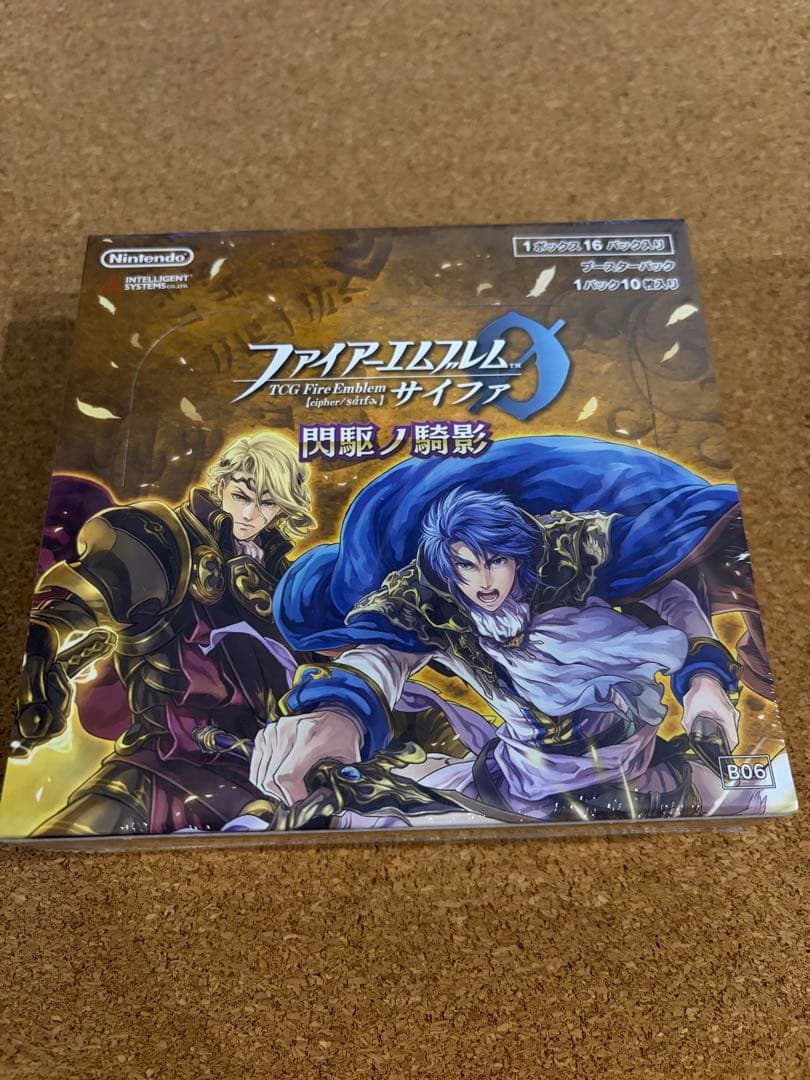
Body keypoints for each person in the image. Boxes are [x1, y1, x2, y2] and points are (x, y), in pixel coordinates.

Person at [246, 435, 771, 824]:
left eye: (495, 561)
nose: (483, 583)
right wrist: (340, 713)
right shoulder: (434, 598)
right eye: (465, 566)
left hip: (640, 769)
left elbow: (671, 598)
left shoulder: (577, 560)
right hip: (521, 780)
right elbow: (384, 654)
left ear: (520, 555)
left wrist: (704, 686)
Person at [15, 432, 316, 835]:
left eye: (267, 503)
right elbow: (86, 595)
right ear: (221, 486)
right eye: (241, 496)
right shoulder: (172, 541)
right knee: (59, 850)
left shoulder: (289, 583)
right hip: (160, 769)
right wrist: (38, 650)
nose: (250, 514)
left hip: (265, 788)